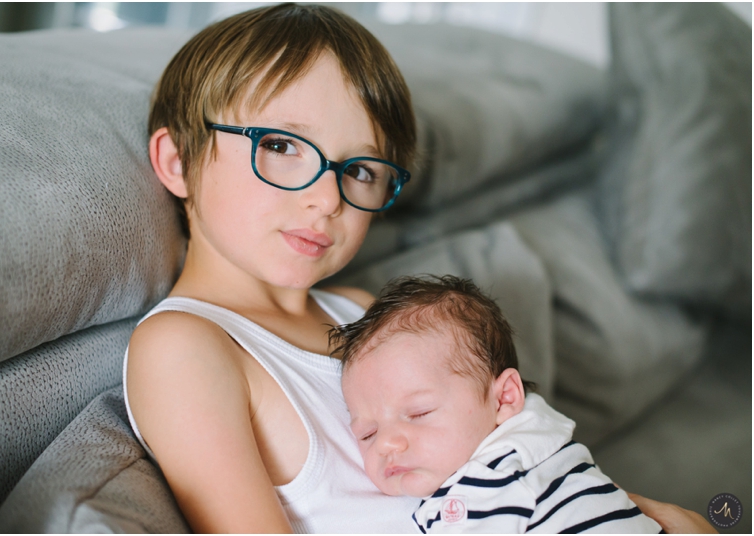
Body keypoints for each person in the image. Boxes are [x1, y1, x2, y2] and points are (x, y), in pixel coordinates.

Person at [123, 3, 717, 533]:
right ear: (177, 160)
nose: (326, 198)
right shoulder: (184, 348)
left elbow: (511, 467)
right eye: (280, 145)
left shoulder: (363, 313)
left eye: (358, 169)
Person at [331, 275, 662, 533]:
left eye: (419, 413)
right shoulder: (540, 447)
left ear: (504, 398)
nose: (387, 442)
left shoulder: (491, 483)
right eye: (367, 433)